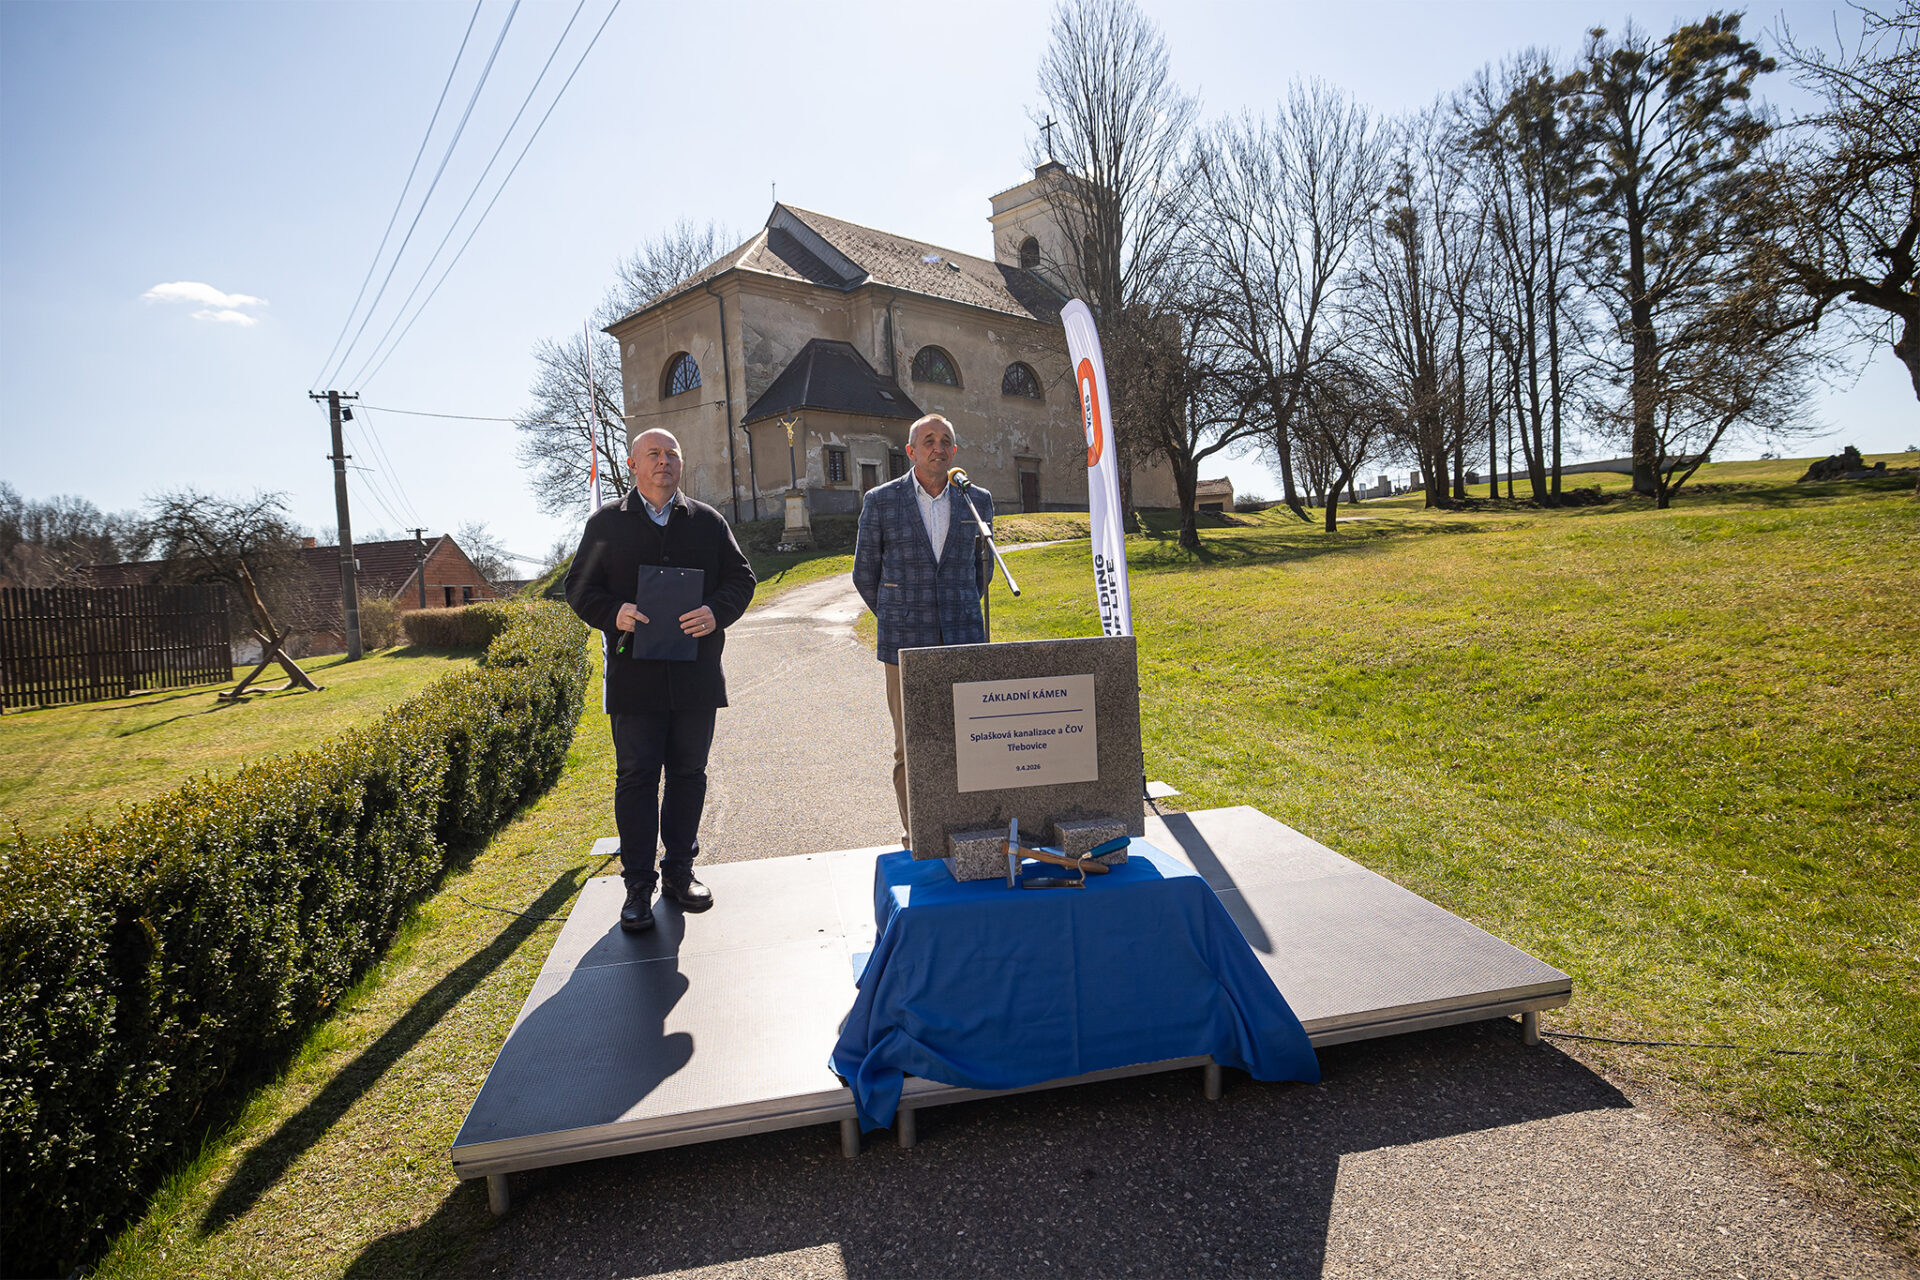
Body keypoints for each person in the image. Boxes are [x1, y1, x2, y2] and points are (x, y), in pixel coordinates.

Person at [566, 428, 756, 933]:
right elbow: (578, 588)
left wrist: (716, 612)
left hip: (695, 677)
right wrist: (615, 612)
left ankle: (679, 873)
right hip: (635, 679)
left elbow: (742, 579)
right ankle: (637, 886)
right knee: (637, 779)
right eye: (654, 454)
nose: (665, 462)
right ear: (633, 465)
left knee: (689, 775)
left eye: (673, 453)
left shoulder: (708, 522)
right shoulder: (607, 523)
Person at [851, 413, 994, 849]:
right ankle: (919, 834)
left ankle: (967, 826)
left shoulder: (977, 500)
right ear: (911, 452)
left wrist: (956, 606)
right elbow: (864, 574)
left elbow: (981, 570)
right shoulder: (881, 500)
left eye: (946, 440)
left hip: (964, 637)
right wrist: (901, 612)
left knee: (968, 738)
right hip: (904, 644)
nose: (938, 447)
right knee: (910, 746)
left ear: (954, 451)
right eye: (928, 440)